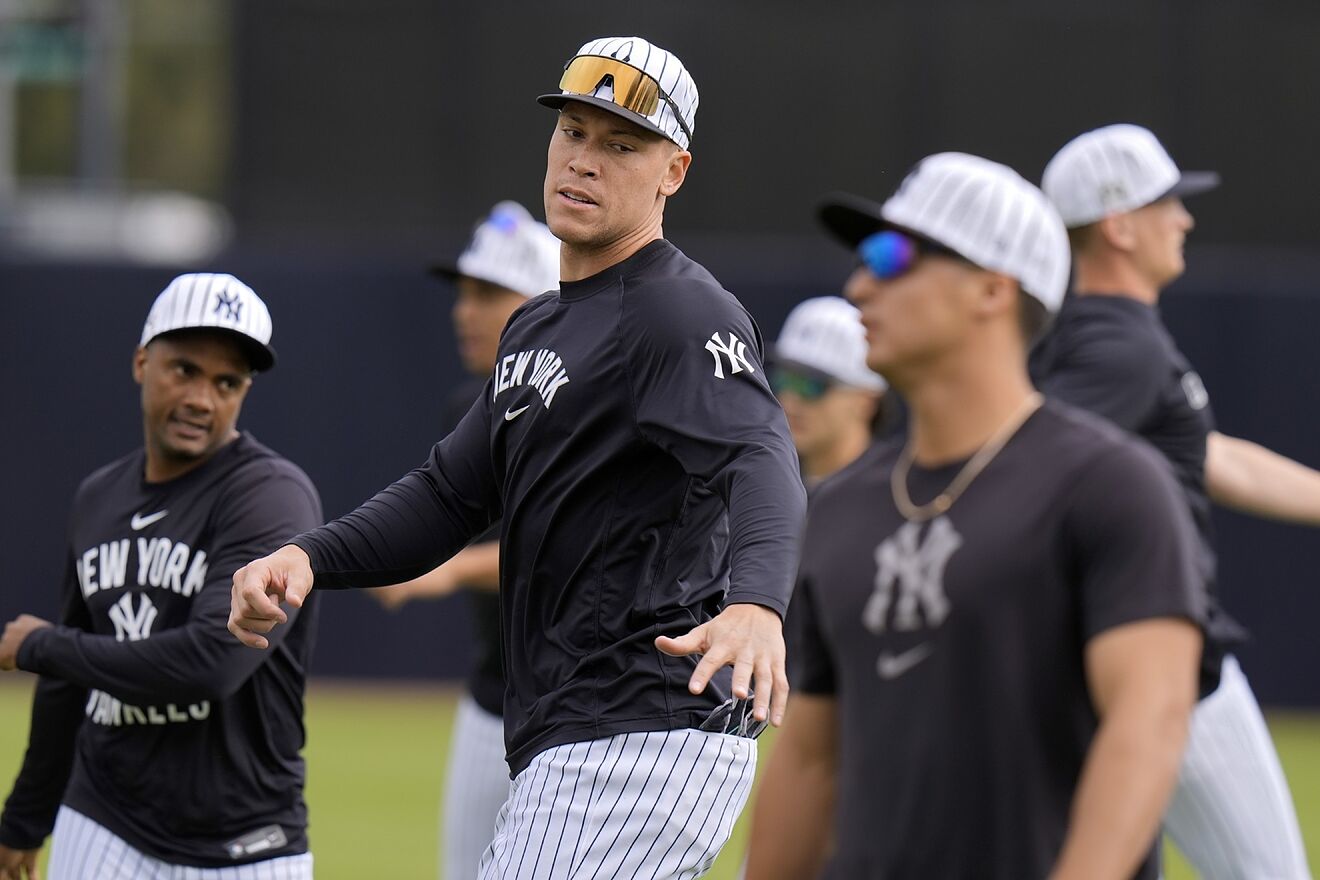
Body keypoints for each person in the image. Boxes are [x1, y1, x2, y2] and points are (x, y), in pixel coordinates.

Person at [229, 35, 806, 880]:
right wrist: (308, 556)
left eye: (620, 144)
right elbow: (448, 495)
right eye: (573, 131)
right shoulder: (538, 324)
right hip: (580, 730)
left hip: (643, 728)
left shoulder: (677, 311)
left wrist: (758, 602)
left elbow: (760, 451)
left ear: (673, 171)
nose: (585, 160)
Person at [744, 153, 1206, 880]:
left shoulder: (1111, 485)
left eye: (894, 257)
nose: (861, 284)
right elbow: (809, 759)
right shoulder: (838, 507)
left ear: (992, 288)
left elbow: (1149, 723)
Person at [1032, 122, 1315, 879]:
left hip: (1128, 663)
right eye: (1169, 204)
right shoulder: (1119, 346)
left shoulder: (1104, 338)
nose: (1184, 219)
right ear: (1119, 226)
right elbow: (1028, 470)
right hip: (1168, 672)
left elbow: (1210, 456)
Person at [0, 273, 321, 880]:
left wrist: (42, 646)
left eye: (227, 382)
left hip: (247, 839)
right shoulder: (98, 497)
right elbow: (67, 682)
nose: (203, 398)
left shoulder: (271, 498)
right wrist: (25, 816)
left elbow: (212, 663)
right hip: (104, 819)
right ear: (142, 362)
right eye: (185, 370)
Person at [374, 200, 560, 880]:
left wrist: (447, 571)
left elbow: (562, 546)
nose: (464, 310)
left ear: (542, 303)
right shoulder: (470, 406)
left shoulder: (585, 404)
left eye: (487, 293)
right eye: (463, 291)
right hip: (494, 692)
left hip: (581, 703)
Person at [770, 297, 887, 487]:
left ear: (866, 401)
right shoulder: (770, 490)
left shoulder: (895, 495)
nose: (790, 401)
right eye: (785, 379)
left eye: (812, 385)